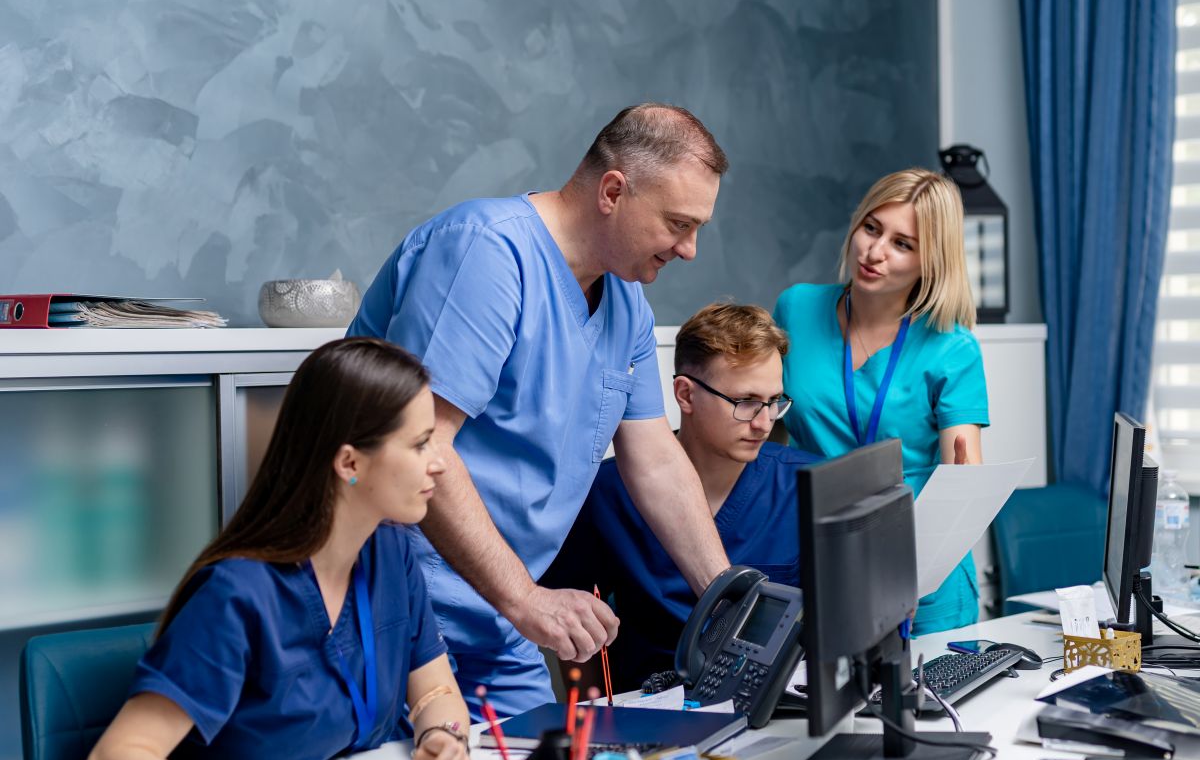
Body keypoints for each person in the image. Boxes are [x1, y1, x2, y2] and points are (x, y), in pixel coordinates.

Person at [347, 104, 735, 715]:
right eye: (678, 224)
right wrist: (525, 598)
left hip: (498, 615)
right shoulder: (485, 253)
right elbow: (424, 445)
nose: (689, 249)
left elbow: (655, 458)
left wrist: (727, 599)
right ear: (614, 191)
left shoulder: (626, 303)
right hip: (395, 603)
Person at [83, 338, 474, 760]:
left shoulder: (390, 553)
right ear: (349, 463)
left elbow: (436, 691)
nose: (438, 462)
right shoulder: (238, 594)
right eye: (419, 445)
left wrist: (444, 740)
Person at [542, 303, 820, 690]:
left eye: (774, 401)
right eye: (746, 402)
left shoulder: (808, 484)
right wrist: (593, 716)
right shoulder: (606, 492)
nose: (764, 422)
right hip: (646, 710)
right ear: (685, 395)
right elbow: (571, 624)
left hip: (772, 702)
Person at [773, 168, 987, 635]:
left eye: (902, 244)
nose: (874, 252)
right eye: (872, 228)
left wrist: (911, 575)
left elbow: (962, 486)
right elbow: (769, 433)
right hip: (821, 554)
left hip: (920, 571)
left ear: (931, 260)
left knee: (930, 705)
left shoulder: (953, 347)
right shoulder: (796, 309)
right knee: (827, 705)